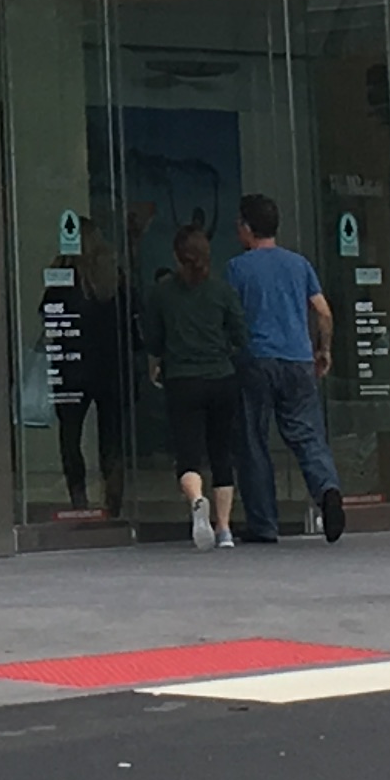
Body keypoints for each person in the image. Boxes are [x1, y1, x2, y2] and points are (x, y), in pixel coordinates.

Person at [227, 191, 345, 544]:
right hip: (299, 359)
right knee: (308, 434)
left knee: (253, 441)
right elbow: (323, 311)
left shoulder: (237, 268)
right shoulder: (299, 264)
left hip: (257, 360)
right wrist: (323, 350)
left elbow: (231, 317)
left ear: (247, 228)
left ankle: (264, 524)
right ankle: (327, 490)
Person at [139, 221, 248, 550]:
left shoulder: (162, 293)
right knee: (221, 454)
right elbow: (241, 335)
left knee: (188, 455)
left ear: (176, 256)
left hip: (182, 380)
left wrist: (163, 359)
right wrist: (223, 351)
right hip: (221, 378)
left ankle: (197, 499)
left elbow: (154, 341)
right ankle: (225, 528)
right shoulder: (222, 291)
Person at [41, 221, 130, 515]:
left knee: (70, 435)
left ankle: (78, 498)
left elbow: (49, 316)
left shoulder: (63, 278)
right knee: (111, 437)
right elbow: (131, 316)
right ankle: (113, 499)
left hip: (72, 367)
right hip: (108, 366)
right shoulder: (112, 278)